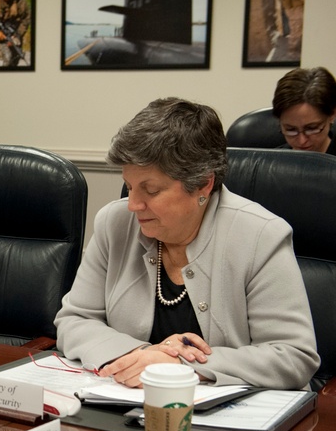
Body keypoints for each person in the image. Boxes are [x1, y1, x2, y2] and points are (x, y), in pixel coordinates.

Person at [55, 97, 319, 390]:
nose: (132, 205)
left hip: (235, 421)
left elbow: (293, 357)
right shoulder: (114, 223)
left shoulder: (261, 235)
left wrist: (182, 365)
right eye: (129, 187)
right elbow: (74, 320)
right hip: (128, 408)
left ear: (203, 184)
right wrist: (143, 355)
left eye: (151, 190)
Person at [271, 66, 336, 155]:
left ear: (332, 114)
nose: (302, 141)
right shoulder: (271, 162)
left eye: (312, 128)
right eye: (291, 130)